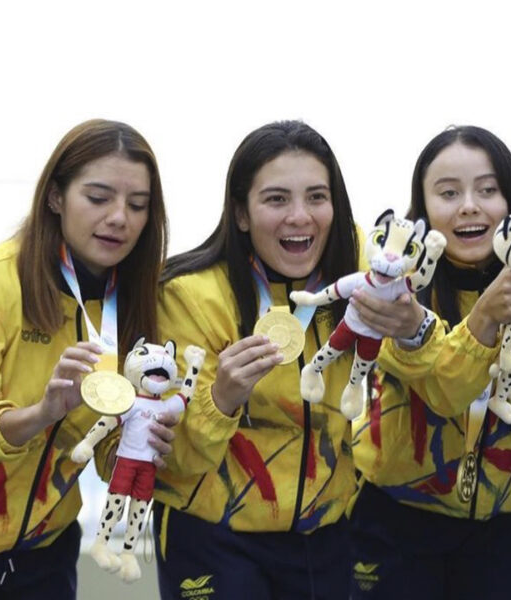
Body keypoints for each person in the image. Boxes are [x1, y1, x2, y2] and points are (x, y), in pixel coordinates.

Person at [348, 125, 511, 599]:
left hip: (503, 525)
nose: (469, 205)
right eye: (448, 193)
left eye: (488, 190)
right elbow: (447, 393)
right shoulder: (396, 285)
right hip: (393, 518)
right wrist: (487, 314)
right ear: (423, 207)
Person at [154, 120, 362, 599]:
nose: (299, 216)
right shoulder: (189, 296)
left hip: (324, 534)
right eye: (276, 199)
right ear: (241, 214)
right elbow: (172, 459)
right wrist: (220, 399)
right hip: (213, 537)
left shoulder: (356, 282)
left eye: (316, 197)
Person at [0, 119, 171, 598]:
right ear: (56, 197)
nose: (120, 217)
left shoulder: (143, 302)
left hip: (48, 549)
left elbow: (103, 455)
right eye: (99, 198)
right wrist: (42, 414)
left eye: (137, 204)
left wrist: (143, 439)